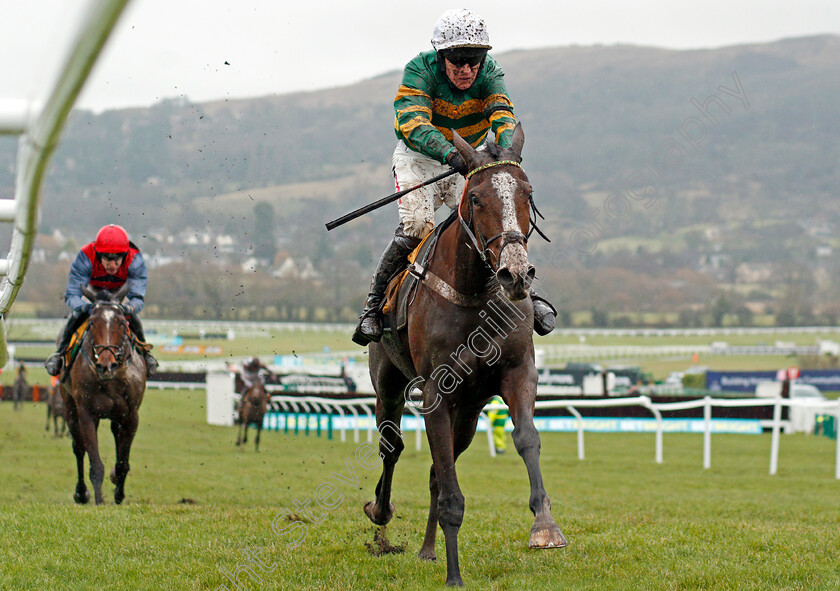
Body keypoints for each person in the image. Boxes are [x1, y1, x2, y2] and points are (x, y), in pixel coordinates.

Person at [352, 8, 556, 346]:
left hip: (472, 158)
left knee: (496, 217)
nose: (467, 69)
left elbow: (503, 114)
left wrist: (505, 157)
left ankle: (526, 294)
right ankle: (373, 306)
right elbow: (413, 123)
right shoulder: (419, 70)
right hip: (420, 157)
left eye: (474, 60)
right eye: (458, 60)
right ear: (442, 55)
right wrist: (449, 154)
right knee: (418, 227)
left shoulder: (490, 73)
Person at [44, 224, 158, 377]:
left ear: (124, 256)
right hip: (93, 292)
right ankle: (59, 354)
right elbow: (72, 295)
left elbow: (137, 298)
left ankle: (145, 355)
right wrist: (87, 308)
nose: (112, 265)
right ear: (98, 255)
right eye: (107, 259)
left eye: (117, 259)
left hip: (120, 294)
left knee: (134, 319)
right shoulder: (85, 256)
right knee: (75, 317)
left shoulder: (135, 259)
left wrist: (127, 309)